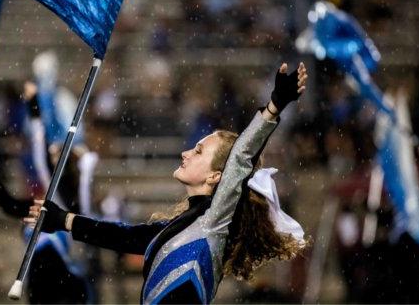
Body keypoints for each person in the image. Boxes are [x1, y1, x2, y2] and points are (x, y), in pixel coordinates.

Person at [26, 62, 309, 304]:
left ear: (216, 177)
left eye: (198, 151)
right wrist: (63, 220)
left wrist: (272, 109)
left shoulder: (214, 220)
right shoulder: (178, 227)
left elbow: (240, 158)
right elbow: (123, 236)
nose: (186, 153)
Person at [0, 80, 97, 304]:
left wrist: (34, 107)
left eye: (58, 156)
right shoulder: (44, 204)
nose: (53, 155)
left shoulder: (67, 201)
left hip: (62, 284)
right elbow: (7, 202)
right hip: (41, 285)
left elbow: (43, 159)